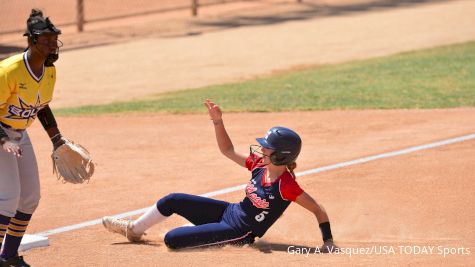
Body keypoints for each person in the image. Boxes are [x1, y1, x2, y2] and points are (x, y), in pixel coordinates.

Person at [102, 99, 336, 251]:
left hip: (239, 233)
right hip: (227, 212)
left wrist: (327, 242)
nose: (262, 149)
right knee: (171, 200)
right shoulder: (258, 166)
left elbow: (319, 209)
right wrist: (218, 122)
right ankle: (134, 230)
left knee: (172, 240)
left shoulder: (287, 186)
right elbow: (227, 150)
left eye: (268, 147)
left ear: (282, 155)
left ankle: (206, 238)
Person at [0, 9, 67, 267]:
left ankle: (9, 256)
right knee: (8, 197)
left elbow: (40, 106)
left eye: (55, 38)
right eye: (47, 38)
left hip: (19, 132)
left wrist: (57, 138)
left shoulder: (49, 72)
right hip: (2, 133)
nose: (53, 43)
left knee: (30, 197)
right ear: (31, 40)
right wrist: (5, 140)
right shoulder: (9, 71)